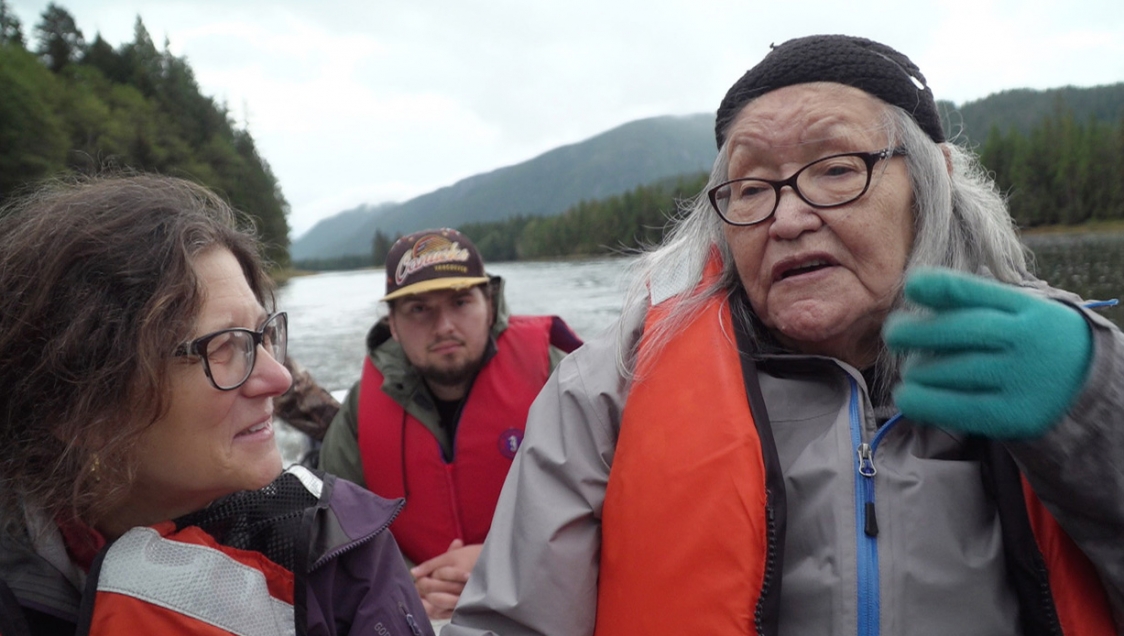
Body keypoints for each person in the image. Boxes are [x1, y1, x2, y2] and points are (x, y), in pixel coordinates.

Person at [445, 35, 1124, 635]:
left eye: (835, 169)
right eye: (749, 187)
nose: (788, 217)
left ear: (933, 180)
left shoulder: (1067, 363)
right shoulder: (604, 393)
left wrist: (1094, 410)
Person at [0, 175, 432, 636]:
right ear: (79, 411)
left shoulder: (339, 556)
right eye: (223, 346)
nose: (279, 378)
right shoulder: (19, 586)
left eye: (263, 335)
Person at [319, 228, 582, 621]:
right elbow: (333, 541)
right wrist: (406, 586)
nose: (444, 326)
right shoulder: (359, 411)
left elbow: (612, 511)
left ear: (489, 305)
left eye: (460, 302)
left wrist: (504, 562)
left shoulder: (557, 377)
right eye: (419, 309)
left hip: (540, 604)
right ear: (392, 323)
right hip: (414, 613)